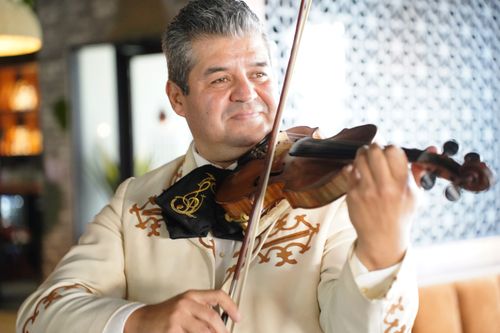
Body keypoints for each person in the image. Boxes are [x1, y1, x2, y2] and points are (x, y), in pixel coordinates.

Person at [17, 0, 422, 332]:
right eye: (220, 80)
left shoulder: (331, 196)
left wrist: (381, 249)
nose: (248, 94)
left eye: (259, 73)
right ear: (177, 98)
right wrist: (141, 320)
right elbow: (39, 315)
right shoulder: (135, 201)